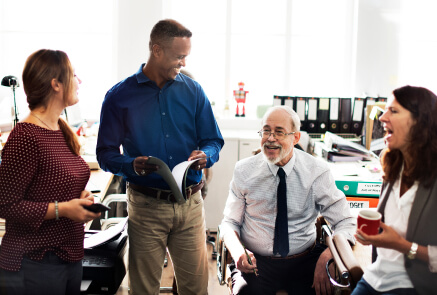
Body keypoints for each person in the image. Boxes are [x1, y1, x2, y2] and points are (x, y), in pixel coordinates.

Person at [96, 19, 224, 294]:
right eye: (179, 56)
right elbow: (105, 154)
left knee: (196, 288)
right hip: (146, 206)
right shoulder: (119, 97)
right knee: (143, 289)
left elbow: (214, 140)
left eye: (186, 56)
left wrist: (207, 155)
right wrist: (130, 164)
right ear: (156, 50)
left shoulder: (194, 91)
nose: (183, 62)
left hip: (190, 205)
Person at [220, 105, 356, 295]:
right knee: (244, 292)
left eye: (279, 132)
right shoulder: (244, 170)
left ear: (296, 137)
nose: (270, 138)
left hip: (304, 259)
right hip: (256, 261)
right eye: (266, 131)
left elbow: (345, 222)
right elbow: (229, 223)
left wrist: (329, 255)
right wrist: (237, 251)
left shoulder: (316, 172)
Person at [0, 49, 101, 295]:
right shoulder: (25, 136)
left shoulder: (59, 128)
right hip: (34, 262)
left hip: (69, 255)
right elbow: (6, 204)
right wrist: (64, 209)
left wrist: (81, 197)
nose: (79, 81)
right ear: (56, 84)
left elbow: (55, 183)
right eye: (73, 75)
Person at [352, 85, 437, 295]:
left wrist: (404, 246)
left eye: (394, 111)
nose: (382, 118)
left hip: (413, 285)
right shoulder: (394, 166)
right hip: (375, 276)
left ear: (421, 122)